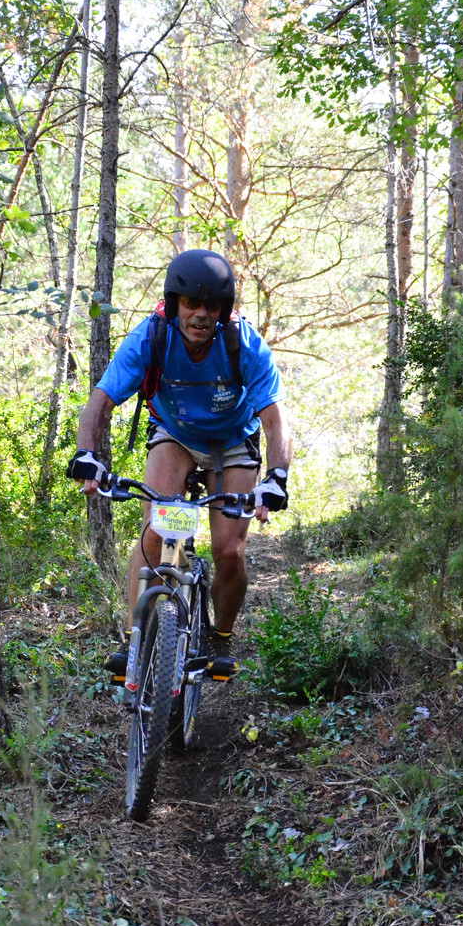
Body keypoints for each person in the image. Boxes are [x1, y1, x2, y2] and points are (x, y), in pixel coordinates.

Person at [67, 248, 292, 681]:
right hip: (176, 435)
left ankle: (221, 637)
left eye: (212, 306)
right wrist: (86, 454)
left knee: (228, 550)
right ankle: (134, 640)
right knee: (155, 533)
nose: (201, 315)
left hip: (232, 440)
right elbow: (100, 402)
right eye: (191, 304)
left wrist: (276, 477)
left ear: (225, 309)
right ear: (175, 304)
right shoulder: (151, 336)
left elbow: (275, 417)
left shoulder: (242, 342)